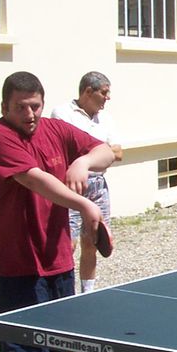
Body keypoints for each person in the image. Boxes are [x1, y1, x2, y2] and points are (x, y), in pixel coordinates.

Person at [0, 71, 115, 352]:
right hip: (15, 257)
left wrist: (84, 162)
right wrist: (86, 203)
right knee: (22, 342)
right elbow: (36, 180)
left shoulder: (56, 129)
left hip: (57, 255)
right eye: (20, 107)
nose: (29, 113)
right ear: (4, 106)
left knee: (57, 336)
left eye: (35, 105)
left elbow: (107, 151)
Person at [51, 72, 123, 293]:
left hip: (98, 186)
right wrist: (98, 152)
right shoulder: (62, 113)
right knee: (67, 244)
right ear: (88, 92)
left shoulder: (107, 119)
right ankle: (63, 292)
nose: (108, 97)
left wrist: (90, 155)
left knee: (93, 241)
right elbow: (65, 150)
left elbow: (118, 153)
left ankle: (87, 292)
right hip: (72, 186)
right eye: (104, 92)